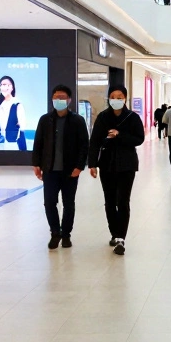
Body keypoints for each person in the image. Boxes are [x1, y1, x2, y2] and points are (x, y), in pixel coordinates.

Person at [31, 85, 89, 250]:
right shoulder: (45, 120)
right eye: (56, 97)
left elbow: (84, 145)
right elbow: (38, 143)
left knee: (68, 203)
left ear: (69, 100)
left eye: (62, 97)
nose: (59, 100)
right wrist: (36, 163)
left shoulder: (77, 120)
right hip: (50, 169)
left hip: (70, 170)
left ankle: (66, 235)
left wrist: (79, 166)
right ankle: (55, 232)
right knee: (49, 202)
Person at [88, 86, 145, 255]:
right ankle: (114, 233)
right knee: (110, 201)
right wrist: (92, 163)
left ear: (125, 98)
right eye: (113, 97)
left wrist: (120, 135)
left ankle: (121, 238)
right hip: (106, 164)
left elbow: (139, 138)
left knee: (123, 201)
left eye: (119, 97)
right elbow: (95, 141)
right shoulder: (103, 117)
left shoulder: (132, 117)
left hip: (127, 165)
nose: (116, 99)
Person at [0, 75, 27, 150]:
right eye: (2, 85)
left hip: (13, 143)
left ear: (12, 88)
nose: (5, 87)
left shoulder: (17, 104)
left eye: (8, 85)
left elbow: (22, 126)